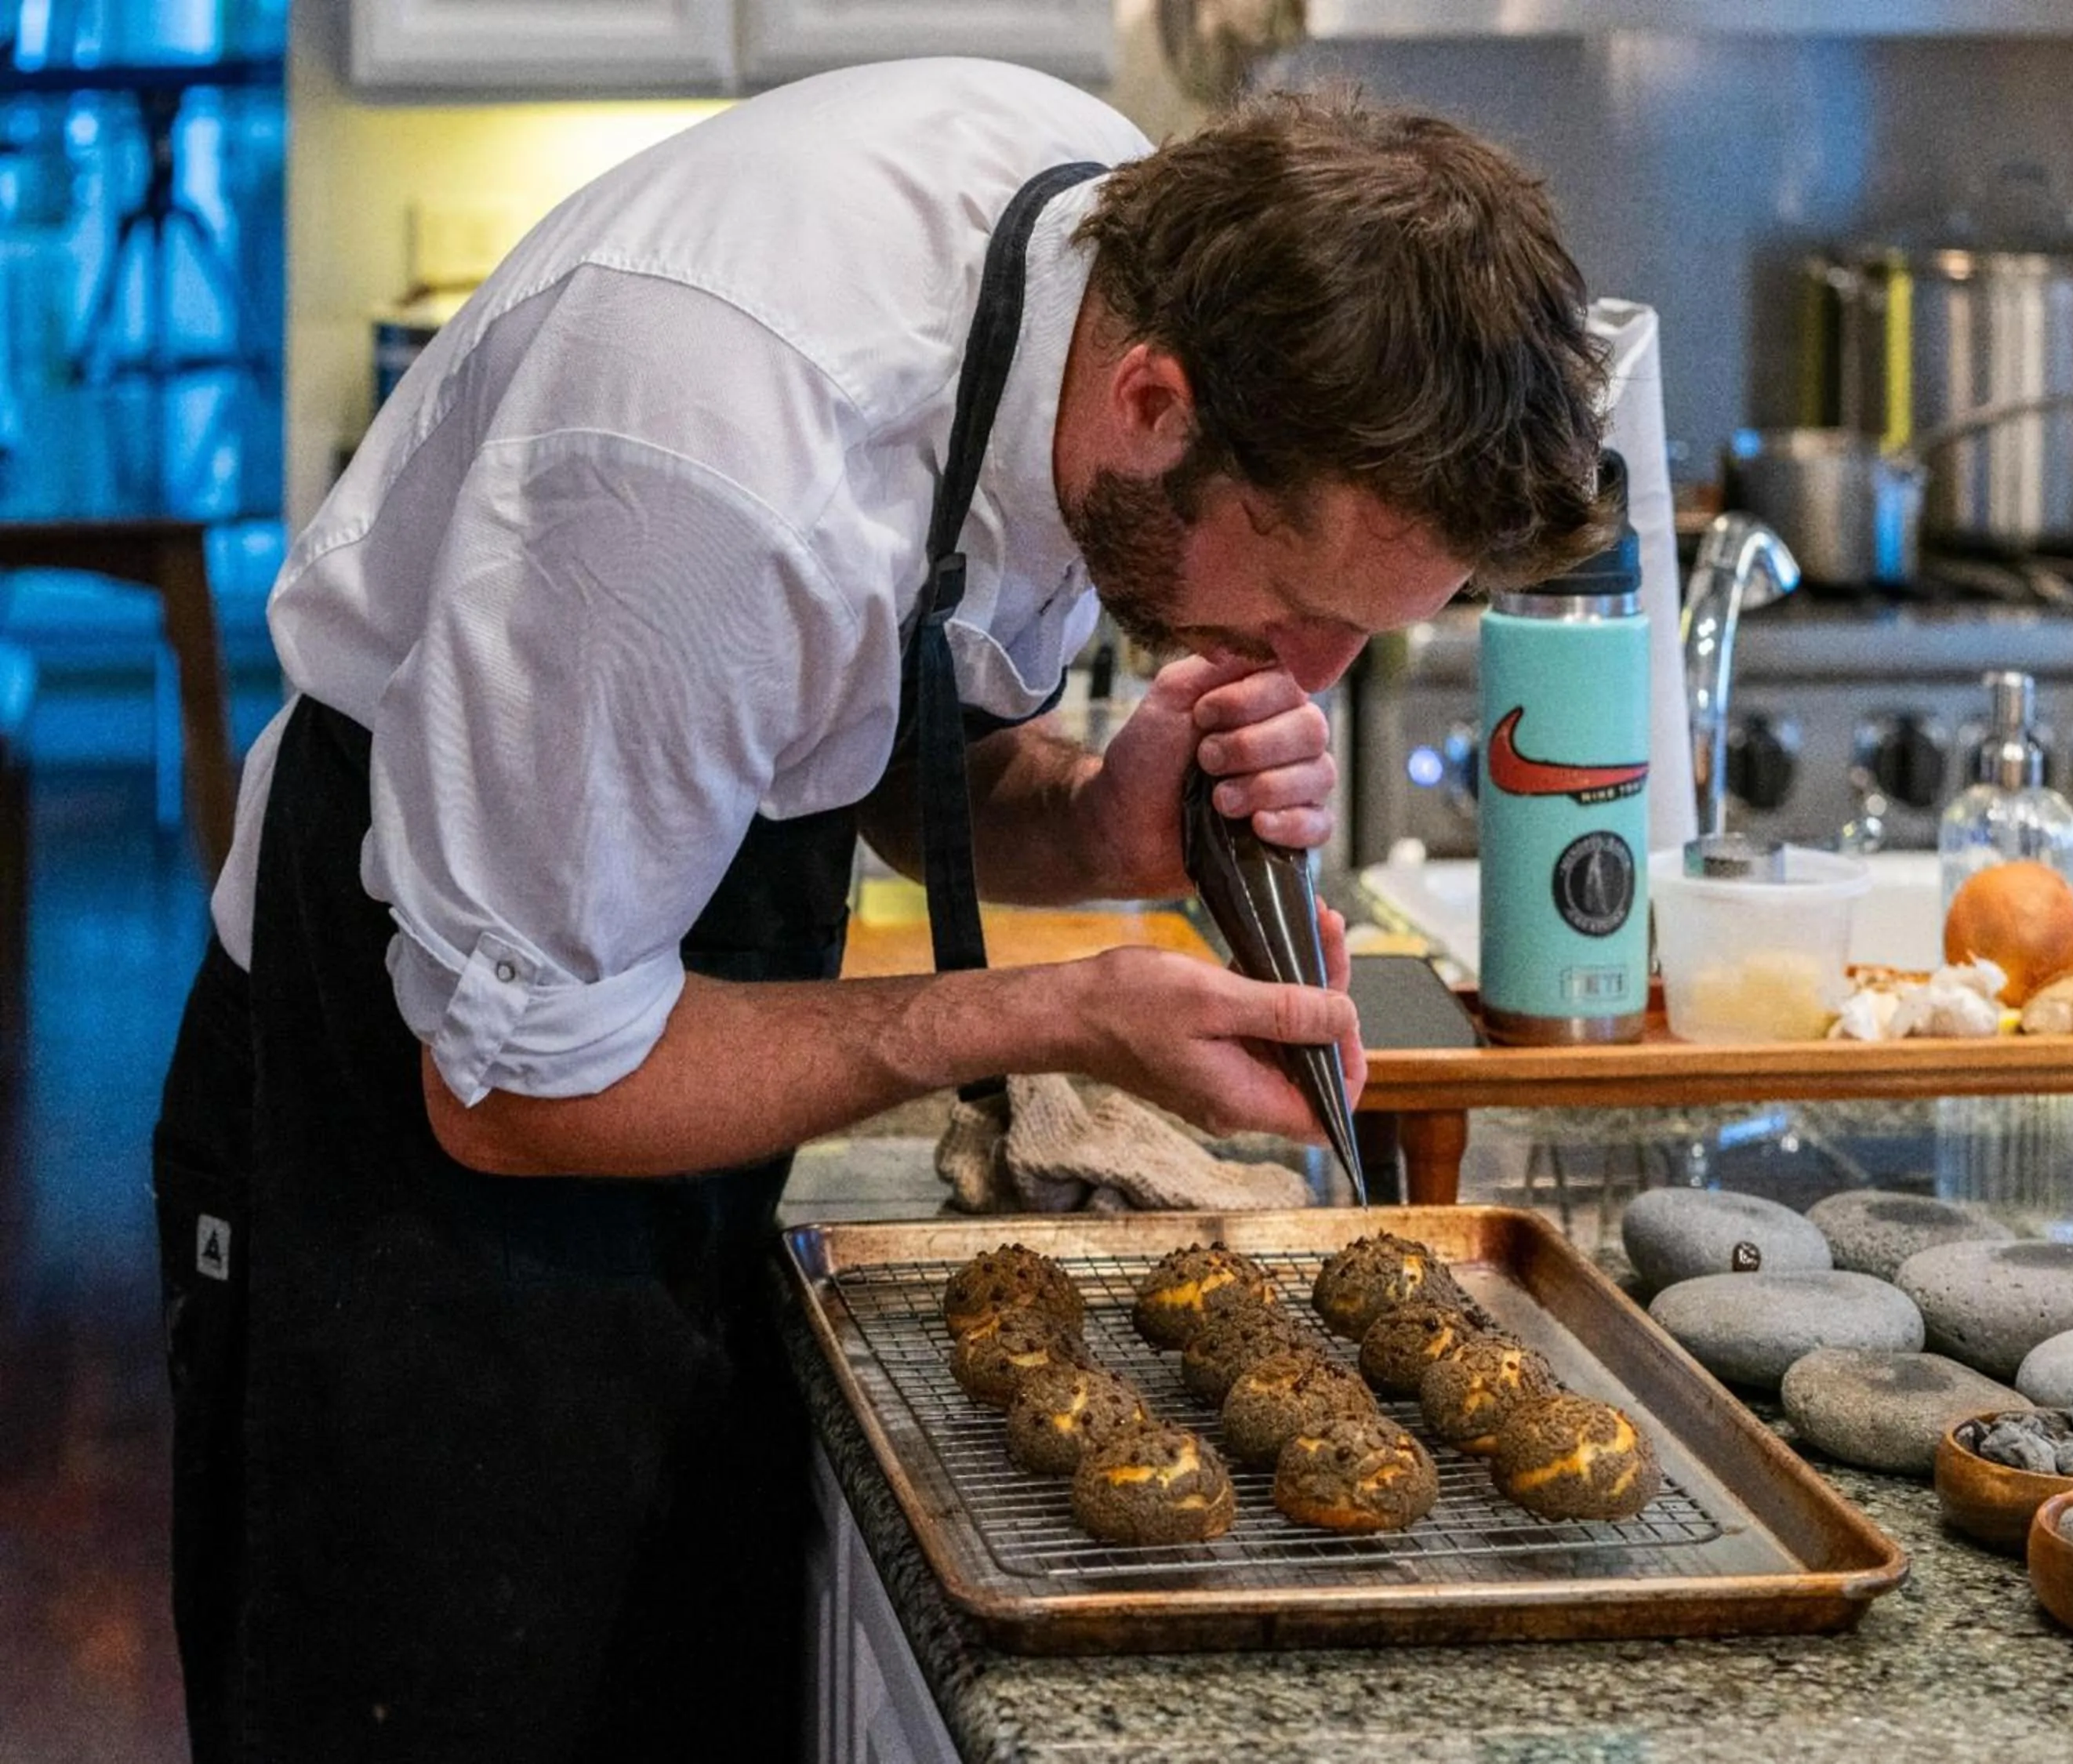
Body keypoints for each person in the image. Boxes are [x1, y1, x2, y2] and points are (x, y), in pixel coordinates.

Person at [150, 56, 1609, 1763]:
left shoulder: (1108, 246)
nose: (1312, 676)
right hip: (406, 1152)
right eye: (1297, 609)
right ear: (1153, 405)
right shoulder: (700, 458)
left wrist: (1093, 822)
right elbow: (509, 1091)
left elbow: (838, 736)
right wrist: (1062, 1013)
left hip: (665, 1066)